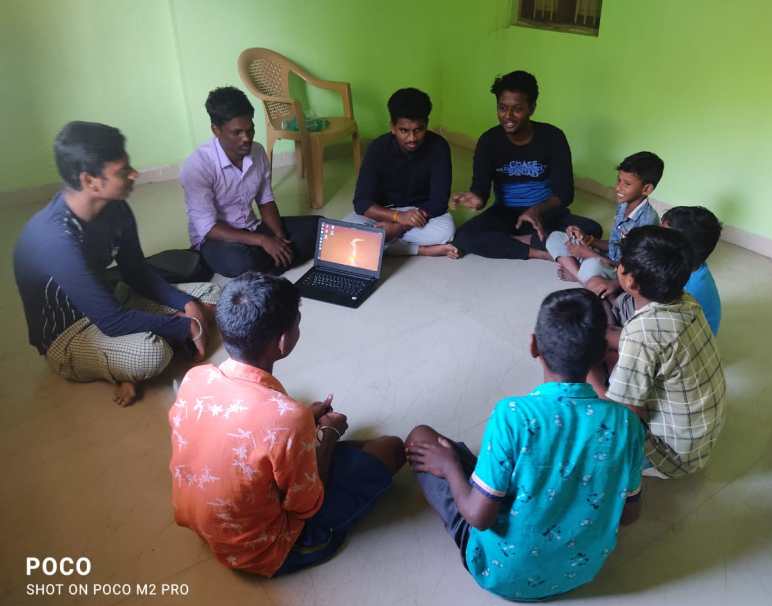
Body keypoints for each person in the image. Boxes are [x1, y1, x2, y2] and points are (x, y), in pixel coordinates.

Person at [406, 288, 645, 601]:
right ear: (603, 353)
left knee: (421, 437)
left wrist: (450, 467)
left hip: (502, 574)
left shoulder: (513, 415)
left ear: (534, 346)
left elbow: (479, 517)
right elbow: (628, 516)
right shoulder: (626, 423)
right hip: (582, 569)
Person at [169, 273, 405, 576]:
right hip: (263, 549)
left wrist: (304, 420)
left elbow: (245, 429)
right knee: (390, 449)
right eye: (297, 322)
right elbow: (307, 505)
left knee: (351, 449)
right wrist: (328, 435)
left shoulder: (196, 377)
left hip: (208, 525)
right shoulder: (286, 417)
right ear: (282, 341)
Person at [13, 121, 219, 407]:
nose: (134, 174)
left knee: (211, 294)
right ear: (90, 181)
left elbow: (137, 272)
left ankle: (132, 358)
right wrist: (187, 327)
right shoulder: (53, 238)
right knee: (151, 352)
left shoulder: (116, 206)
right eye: (122, 171)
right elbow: (111, 321)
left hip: (113, 299)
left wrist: (187, 305)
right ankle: (132, 360)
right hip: (71, 332)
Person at [594, 226, 726, 479]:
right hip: (699, 439)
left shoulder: (642, 332)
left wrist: (590, 374)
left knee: (589, 398)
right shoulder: (688, 302)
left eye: (620, 265)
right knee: (610, 359)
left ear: (629, 281)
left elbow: (622, 414)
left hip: (672, 456)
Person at [451, 70, 602, 260]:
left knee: (591, 230)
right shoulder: (489, 141)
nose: (508, 116)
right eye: (502, 108)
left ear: (532, 108)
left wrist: (535, 210)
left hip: (546, 213)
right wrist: (476, 198)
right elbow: (481, 188)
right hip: (506, 214)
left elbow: (565, 194)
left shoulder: (553, 137)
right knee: (464, 236)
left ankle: (516, 241)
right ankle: (540, 251)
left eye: (517, 109)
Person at [180, 86, 319, 277]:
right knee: (241, 261)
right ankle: (266, 262)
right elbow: (208, 228)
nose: (246, 138)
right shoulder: (197, 166)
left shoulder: (258, 152)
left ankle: (268, 263)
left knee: (319, 227)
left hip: (252, 227)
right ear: (216, 130)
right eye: (237, 132)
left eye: (250, 130)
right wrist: (263, 241)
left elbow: (266, 201)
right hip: (217, 239)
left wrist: (279, 238)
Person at [345, 88, 458, 258]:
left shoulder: (439, 147)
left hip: (421, 213)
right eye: (404, 130)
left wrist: (399, 227)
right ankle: (418, 250)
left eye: (418, 130)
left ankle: (380, 243)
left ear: (426, 124)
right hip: (384, 212)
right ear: (392, 127)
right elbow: (361, 202)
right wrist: (397, 216)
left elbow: (439, 201)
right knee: (347, 229)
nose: (412, 138)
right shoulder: (377, 148)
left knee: (446, 231)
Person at [547, 151, 663, 284]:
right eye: (619, 180)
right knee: (555, 237)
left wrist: (588, 254)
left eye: (627, 184)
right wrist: (587, 239)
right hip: (606, 258)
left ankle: (580, 277)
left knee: (592, 266)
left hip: (621, 271)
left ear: (646, 189)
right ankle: (583, 277)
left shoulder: (648, 221)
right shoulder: (623, 205)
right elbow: (615, 244)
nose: (618, 188)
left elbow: (633, 267)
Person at [661, 206, 722, 335]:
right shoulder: (689, 266)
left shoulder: (688, 291)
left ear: (681, 252)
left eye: (662, 237)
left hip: (688, 338)